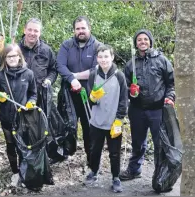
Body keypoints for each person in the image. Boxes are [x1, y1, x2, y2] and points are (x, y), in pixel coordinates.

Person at [120, 29, 175, 180]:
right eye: (139, 40)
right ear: (135, 43)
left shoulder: (162, 60)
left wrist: (170, 97)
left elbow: (172, 82)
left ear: (150, 41)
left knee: (160, 144)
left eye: (145, 39)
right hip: (137, 109)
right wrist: (131, 92)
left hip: (158, 110)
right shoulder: (131, 63)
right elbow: (124, 85)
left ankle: (160, 173)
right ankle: (134, 170)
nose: (142, 42)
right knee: (137, 142)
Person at [56, 16, 103, 167]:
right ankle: (65, 154)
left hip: (90, 96)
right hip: (69, 96)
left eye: (83, 28)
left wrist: (74, 76)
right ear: (74, 30)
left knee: (90, 129)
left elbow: (97, 70)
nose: (80, 31)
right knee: (67, 126)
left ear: (89, 28)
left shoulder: (98, 47)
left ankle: (92, 160)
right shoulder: (66, 46)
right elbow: (60, 65)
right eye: (78, 29)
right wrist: (71, 80)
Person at [83, 45, 128, 193]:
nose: (103, 60)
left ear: (112, 57)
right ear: (97, 58)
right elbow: (90, 100)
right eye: (100, 57)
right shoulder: (93, 74)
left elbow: (123, 100)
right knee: (94, 150)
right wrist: (92, 98)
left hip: (113, 122)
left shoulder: (119, 76)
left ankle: (116, 178)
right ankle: (94, 172)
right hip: (96, 121)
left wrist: (119, 119)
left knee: (114, 152)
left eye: (106, 56)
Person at [0, 44, 37, 185]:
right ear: (4, 58)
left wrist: (31, 102)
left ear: (20, 56)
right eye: (9, 56)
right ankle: (14, 171)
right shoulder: (0, 75)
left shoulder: (28, 74)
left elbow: (33, 93)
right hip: (6, 117)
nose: (12, 59)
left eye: (14, 56)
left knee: (23, 145)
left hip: (23, 117)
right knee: (10, 145)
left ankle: (24, 172)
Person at [18, 18, 57, 105]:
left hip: (40, 94)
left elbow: (53, 69)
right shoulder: (16, 49)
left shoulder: (47, 50)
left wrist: (49, 80)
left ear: (39, 33)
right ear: (24, 30)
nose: (32, 33)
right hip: (19, 94)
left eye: (36, 31)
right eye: (30, 30)